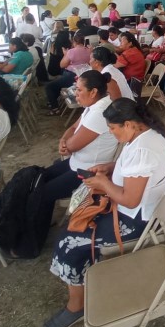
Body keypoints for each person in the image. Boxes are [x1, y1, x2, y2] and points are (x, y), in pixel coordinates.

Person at [42, 98, 165, 327]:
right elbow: (136, 173)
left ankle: (75, 307)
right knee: (77, 223)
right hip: (134, 210)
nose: (111, 133)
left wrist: (104, 182)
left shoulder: (144, 149)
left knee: (68, 242)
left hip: (136, 221)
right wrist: (111, 167)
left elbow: (130, 199)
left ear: (129, 124)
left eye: (113, 129)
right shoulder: (147, 135)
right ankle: (87, 276)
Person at [40, 71, 119, 221]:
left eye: (79, 90)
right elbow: (73, 128)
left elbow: (73, 146)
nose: (76, 94)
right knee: (40, 177)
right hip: (77, 162)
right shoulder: (95, 105)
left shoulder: (100, 113)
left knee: (43, 193)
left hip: (89, 170)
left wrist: (66, 144)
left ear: (93, 92)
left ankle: (37, 236)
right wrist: (63, 139)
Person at [44, 33, 91, 115]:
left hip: (71, 76)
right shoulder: (89, 50)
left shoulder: (71, 52)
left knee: (49, 86)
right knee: (57, 84)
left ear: (74, 42)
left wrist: (65, 54)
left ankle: (55, 108)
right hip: (83, 75)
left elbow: (62, 65)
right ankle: (53, 101)